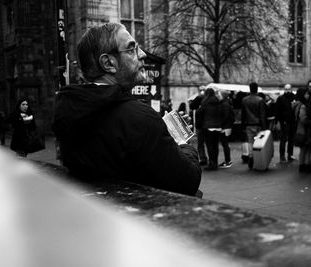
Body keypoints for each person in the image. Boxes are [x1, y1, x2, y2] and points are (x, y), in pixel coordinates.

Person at [52, 23, 201, 197]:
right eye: (131, 49)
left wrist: (159, 134)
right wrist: (182, 143)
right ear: (108, 63)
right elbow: (188, 182)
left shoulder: (69, 110)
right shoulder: (140, 119)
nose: (143, 54)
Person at [241, 82, 267, 169]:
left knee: (250, 142)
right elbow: (262, 115)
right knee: (259, 143)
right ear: (257, 89)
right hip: (258, 124)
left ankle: (251, 157)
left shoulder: (244, 100)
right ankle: (258, 159)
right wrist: (264, 128)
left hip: (248, 124)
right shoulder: (260, 100)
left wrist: (243, 125)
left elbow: (243, 114)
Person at [196, 88, 222, 170]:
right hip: (217, 126)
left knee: (210, 146)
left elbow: (200, 113)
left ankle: (212, 163)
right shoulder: (218, 102)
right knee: (215, 146)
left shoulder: (205, 102)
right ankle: (216, 162)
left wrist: (199, 125)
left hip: (208, 126)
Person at [275, 84, 296, 162]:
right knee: (284, 139)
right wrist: (278, 121)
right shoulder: (281, 98)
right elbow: (277, 111)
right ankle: (282, 155)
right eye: (286, 89)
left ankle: (290, 154)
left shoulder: (294, 97)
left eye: (289, 89)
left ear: (291, 89)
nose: (287, 91)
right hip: (284, 121)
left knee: (291, 139)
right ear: (284, 89)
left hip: (292, 121)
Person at [294, 88, 311, 173]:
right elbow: (303, 119)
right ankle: (306, 165)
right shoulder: (302, 106)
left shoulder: (297, 104)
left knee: (303, 149)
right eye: (306, 94)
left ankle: (302, 165)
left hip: (299, 130)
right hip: (304, 130)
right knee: (307, 148)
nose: (307, 95)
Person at [189, 88, 208, 166]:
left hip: (200, 124)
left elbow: (192, 106)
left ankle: (203, 158)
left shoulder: (199, 98)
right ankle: (212, 159)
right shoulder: (210, 99)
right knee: (209, 143)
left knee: (200, 143)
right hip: (208, 124)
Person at [218, 90, 235, 168]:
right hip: (227, 126)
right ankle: (227, 161)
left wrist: (221, 125)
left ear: (222, 96)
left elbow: (226, 116)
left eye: (219, 94)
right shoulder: (226, 103)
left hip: (225, 127)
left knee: (225, 144)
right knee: (225, 144)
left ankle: (228, 161)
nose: (218, 96)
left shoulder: (224, 104)